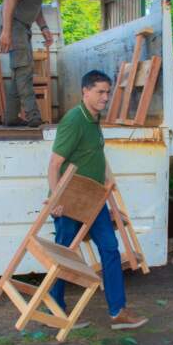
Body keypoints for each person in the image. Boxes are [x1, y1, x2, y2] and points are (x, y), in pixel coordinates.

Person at [47, 70, 149, 330]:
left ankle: (118, 311)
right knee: (65, 254)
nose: (106, 97)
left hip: (94, 199)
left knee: (110, 249)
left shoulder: (94, 119)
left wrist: (106, 182)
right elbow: (54, 165)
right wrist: (57, 199)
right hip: (69, 200)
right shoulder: (74, 120)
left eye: (108, 92)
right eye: (100, 92)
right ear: (85, 92)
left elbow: (94, 155)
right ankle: (56, 310)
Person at [0, 0, 65, 127]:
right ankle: (34, 117)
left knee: (19, 70)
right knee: (24, 68)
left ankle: (10, 118)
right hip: (12, 23)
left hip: (22, 25)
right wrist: (6, 32)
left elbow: (35, 5)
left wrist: (43, 28)